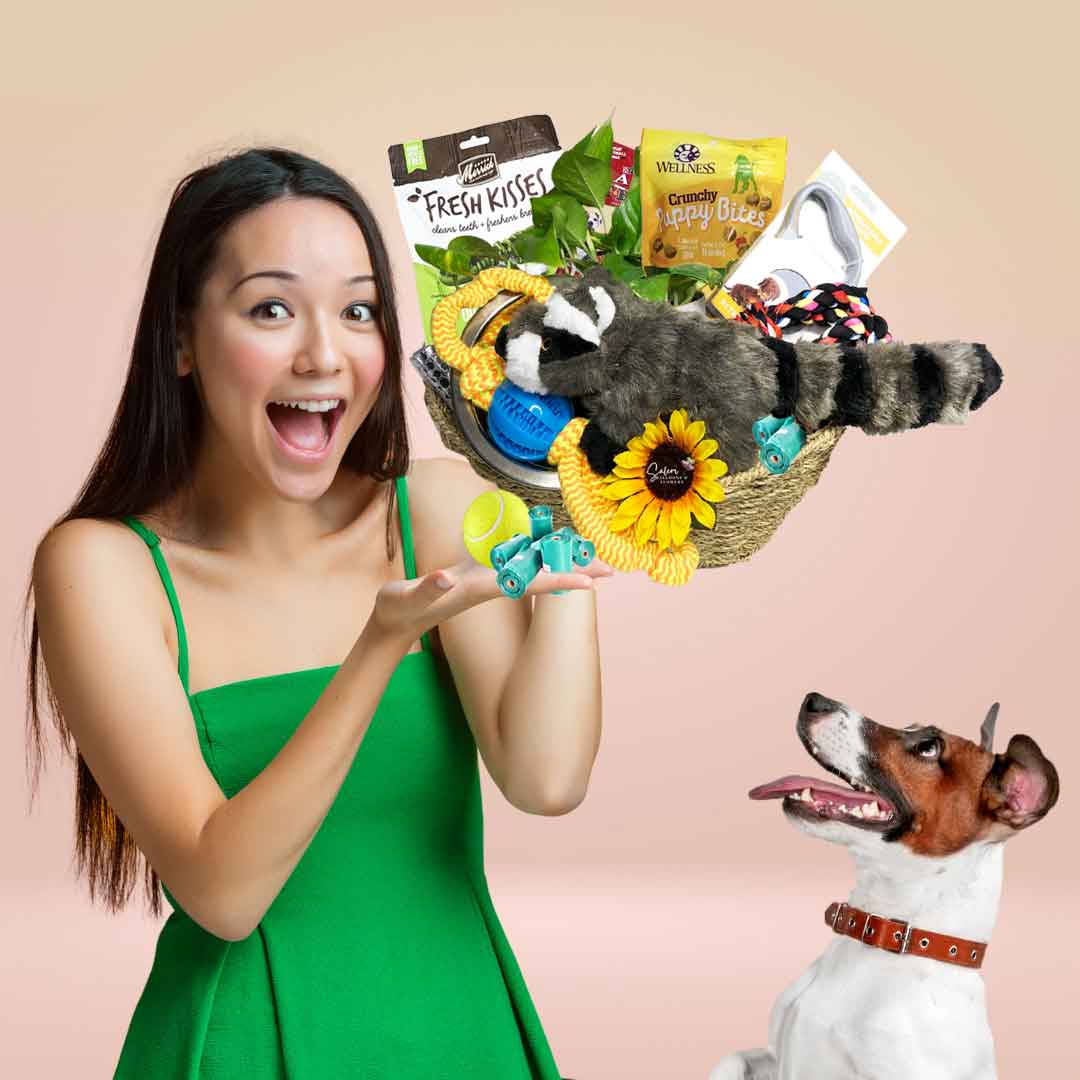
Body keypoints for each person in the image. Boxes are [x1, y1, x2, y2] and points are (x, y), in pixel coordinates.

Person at [24, 146, 609, 1078]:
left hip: (461, 1032)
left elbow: (545, 779)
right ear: (181, 340)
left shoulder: (436, 508)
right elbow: (221, 891)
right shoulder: (104, 567)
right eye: (270, 309)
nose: (324, 354)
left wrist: (576, 538)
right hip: (247, 1045)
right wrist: (379, 645)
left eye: (359, 310)